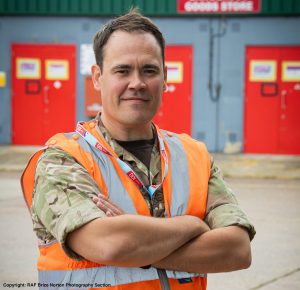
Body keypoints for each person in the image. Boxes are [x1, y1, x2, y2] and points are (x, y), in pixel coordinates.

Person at [22, 8, 255, 290]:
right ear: (97, 77)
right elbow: (110, 244)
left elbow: (237, 250)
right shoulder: (63, 158)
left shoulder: (195, 157)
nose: (137, 83)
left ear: (165, 77)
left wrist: (137, 239)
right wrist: (192, 226)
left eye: (149, 70)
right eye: (122, 70)